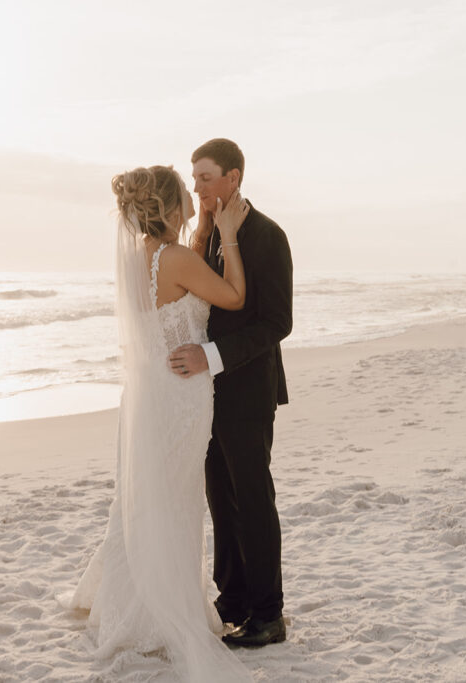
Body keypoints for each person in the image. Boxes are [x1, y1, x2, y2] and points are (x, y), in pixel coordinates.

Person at [67, 165, 253, 681]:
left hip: (146, 396)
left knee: (143, 498)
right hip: (181, 397)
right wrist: (231, 238)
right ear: (172, 206)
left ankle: (122, 604)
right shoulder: (176, 259)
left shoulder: (139, 258)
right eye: (187, 191)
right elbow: (233, 296)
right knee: (175, 499)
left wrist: (202, 237)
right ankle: (162, 612)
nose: (196, 194)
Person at [168, 138, 293, 648]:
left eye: (204, 177)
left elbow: (277, 323)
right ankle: (234, 598)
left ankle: (268, 614)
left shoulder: (265, 234)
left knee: (252, 499)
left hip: (247, 389)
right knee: (221, 497)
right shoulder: (214, 230)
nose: (195, 185)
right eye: (193, 176)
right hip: (209, 393)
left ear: (233, 178)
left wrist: (211, 357)